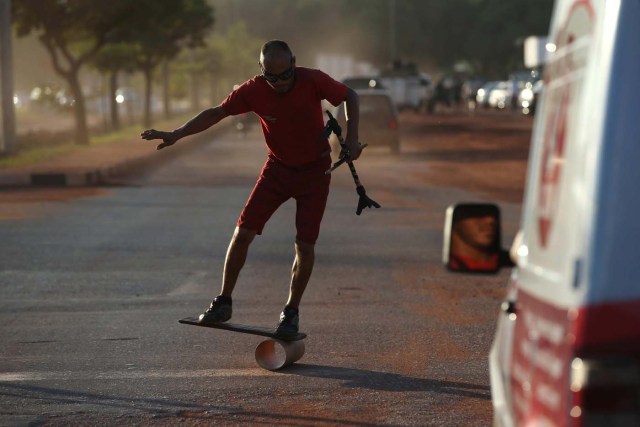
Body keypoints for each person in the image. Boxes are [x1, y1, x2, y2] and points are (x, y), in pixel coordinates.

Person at [141, 40, 361, 338]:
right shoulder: (252, 90)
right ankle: (223, 301)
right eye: (272, 77)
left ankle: (291, 312)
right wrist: (177, 134)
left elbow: (350, 95)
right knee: (242, 233)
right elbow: (217, 113)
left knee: (304, 245)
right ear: (261, 70)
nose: (280, 82)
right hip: (277, 170)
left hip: (315, 173)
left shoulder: (313, 79)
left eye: (286, 74)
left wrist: (351, 138)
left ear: (294, 63)